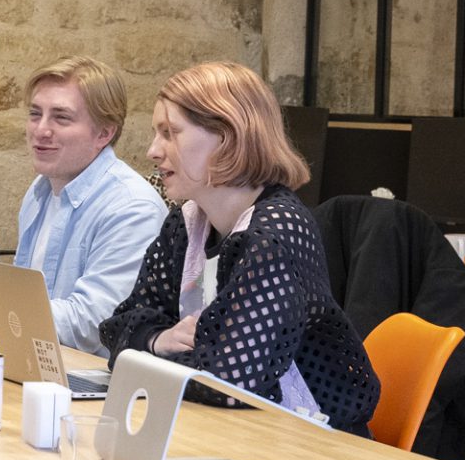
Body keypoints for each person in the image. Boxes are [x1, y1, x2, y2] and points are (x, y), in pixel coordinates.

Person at [99, 61, 380, 436]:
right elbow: (118, 328)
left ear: (227, 138)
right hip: (230, 432)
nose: (153, 150)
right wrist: (157, 339)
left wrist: (146, 354)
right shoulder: (187, 221)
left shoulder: (276, 234)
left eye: (170, 133)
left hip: (310, 444)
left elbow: (227, 383)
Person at [0, 56, 166, 355]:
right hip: (34, 363)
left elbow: (94, 324)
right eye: (35, 114)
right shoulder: (39, 191)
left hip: (89, 382)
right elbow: (22, 298)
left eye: (61, 118)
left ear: (104, 133)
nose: (40, 130)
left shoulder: (131, 208)